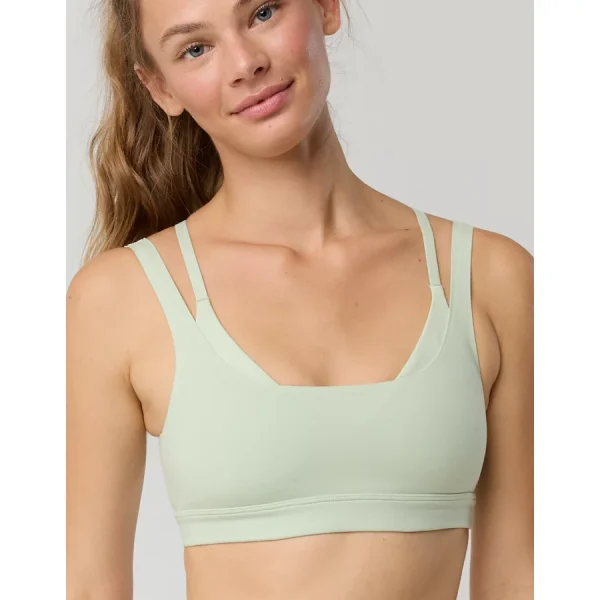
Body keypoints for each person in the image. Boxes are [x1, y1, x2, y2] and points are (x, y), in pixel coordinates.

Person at [66, 0, 534, 598]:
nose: (245, 64)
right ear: (160, 88)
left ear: (326, 7)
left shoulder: (489, 278)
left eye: (263, 12)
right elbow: (86, 585)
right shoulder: (120, 299)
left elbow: (520, 577)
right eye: (195, 49)